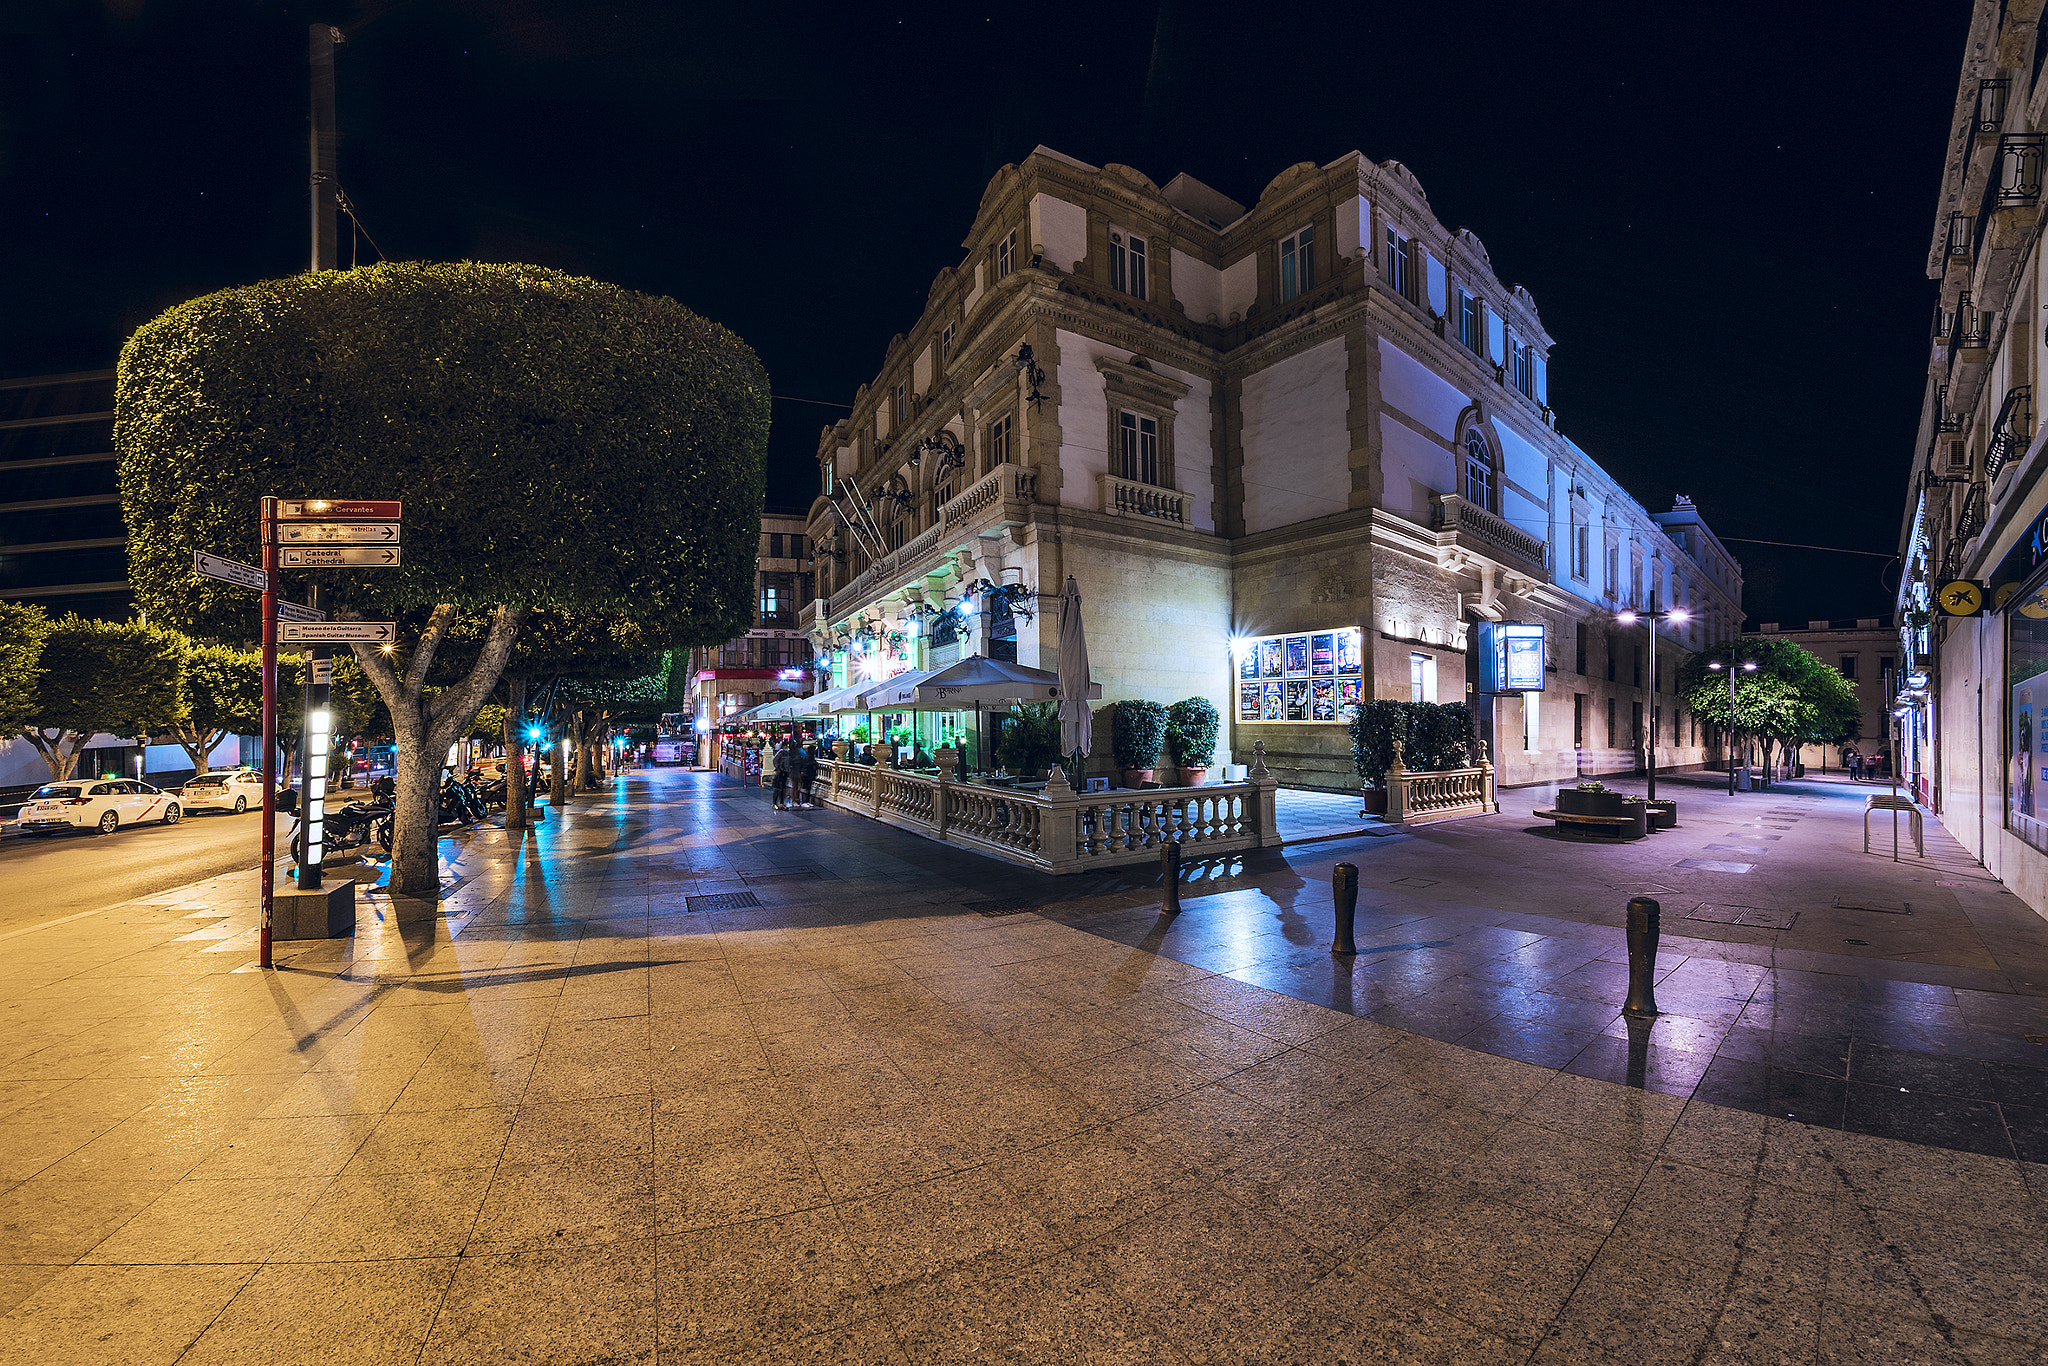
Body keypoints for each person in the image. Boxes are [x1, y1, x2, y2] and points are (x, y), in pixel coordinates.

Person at [794, 742, 819, 808]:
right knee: (807, 788)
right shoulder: (809, 757)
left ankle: (806, 801)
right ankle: (805, 801)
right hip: (807, 774)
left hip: (806, 774)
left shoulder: (806, 756)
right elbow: (809, 765)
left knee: (806, 788)